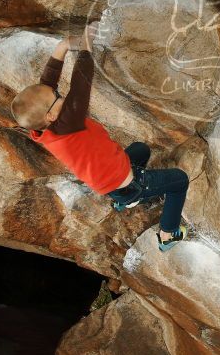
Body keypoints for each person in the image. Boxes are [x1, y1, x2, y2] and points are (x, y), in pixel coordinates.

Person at [10, 23, 189, 251]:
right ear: (52, 114)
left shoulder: (45, 126)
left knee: (141, 149)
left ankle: (124, 200)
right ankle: (167, 234)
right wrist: (86, 46)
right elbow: (81, 83)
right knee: (179, 180)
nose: (58, 91)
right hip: (126, 183)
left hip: (106, 179)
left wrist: (63, 47)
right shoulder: (68, 122)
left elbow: (46, 84)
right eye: (57, 95)